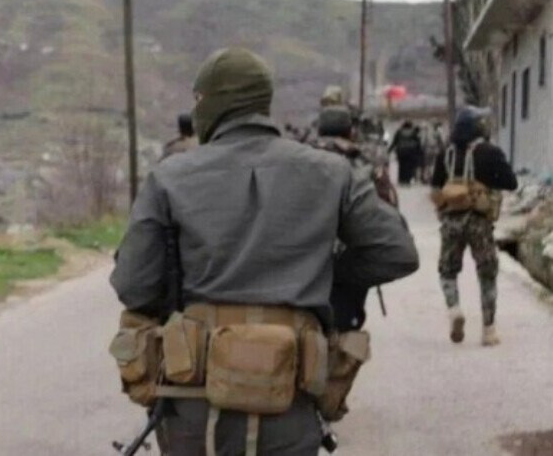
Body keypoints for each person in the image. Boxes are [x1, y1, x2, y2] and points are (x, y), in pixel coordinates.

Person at [110, 48, 419, 455]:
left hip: (193, 405)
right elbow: (396, 252)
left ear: (213, 103)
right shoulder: (333, 172)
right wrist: (326, 273)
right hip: (288, 402)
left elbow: (134, 286)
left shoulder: (168, 177)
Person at [430, 107, 517, 347]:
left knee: (447, 271)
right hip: (479, 221)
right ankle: (489, 330)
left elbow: (435, 187)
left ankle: (454, 310)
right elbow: (511, 182)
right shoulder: (490, 152)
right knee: (487, 273)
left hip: (451, 221)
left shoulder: (445, 154)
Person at [389, 121, 423, 186]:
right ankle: (408, 180)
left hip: (401, 151)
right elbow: (418, 142)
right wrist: (420, 151)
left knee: (401, 166)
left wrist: (389, 150)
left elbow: (394, 142)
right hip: (411, 152)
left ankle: (401, 180)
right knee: (409, 167)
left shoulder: (399, 132)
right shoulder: (413, 132)